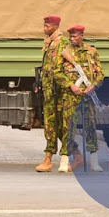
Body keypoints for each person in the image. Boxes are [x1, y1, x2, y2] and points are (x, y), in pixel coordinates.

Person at [55, 25, 105, 172]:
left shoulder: (91, 51)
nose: (72, 39)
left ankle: (94, 160)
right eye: (70, 36)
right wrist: (70, 85)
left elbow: (100, 73)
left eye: (75, 36)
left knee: (90, 127)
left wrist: (94, 86)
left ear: (82, 35)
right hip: (71, 96)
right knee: (68, 128)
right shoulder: (65, 52)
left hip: (88, 96)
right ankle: (64, 160)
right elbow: (57, 73)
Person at [35, 15, 70, 172]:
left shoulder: (62, 43)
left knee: (64, 126)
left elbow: (62, 69)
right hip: (50, 92)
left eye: (47, 26)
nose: (44, 28)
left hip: (61, 93)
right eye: (44, 25)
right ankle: (48, 158)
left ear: (55, 26)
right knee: (49, 125)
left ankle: (66, 158)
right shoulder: (49, 43)